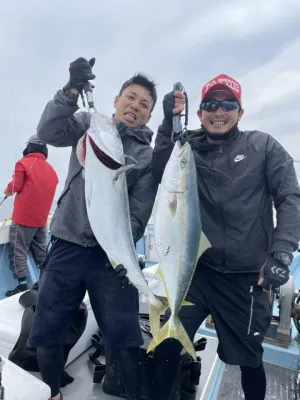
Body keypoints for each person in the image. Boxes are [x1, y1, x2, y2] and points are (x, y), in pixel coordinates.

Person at [147, 73, 300, 400]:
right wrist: (168, 123)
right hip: (194, 271)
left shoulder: (264, 146)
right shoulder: (188, 147)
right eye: (210, 104)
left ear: (240, 112)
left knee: (248, 359)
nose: (219, 110)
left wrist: (281, 254)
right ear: (200, 112)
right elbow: (160, 166)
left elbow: (289, 198)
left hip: (245, 277)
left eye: (228, 103)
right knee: (166, 347)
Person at [27, 57, 158, 400]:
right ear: (116, 100)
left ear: (149, 116)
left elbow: (139, 214)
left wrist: (121, 251)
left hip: (109, 257)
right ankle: (51, 392)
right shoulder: (90, 123)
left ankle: (130, 392)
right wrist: (70, 91)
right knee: (48, 330)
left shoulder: (146, 157)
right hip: (67, 244)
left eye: (144, 105)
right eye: (130, 97)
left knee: (126, 338)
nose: (135, 106)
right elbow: (48, 132)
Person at [4, 135, 58, 297]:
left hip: (23, 218)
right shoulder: (51, 170)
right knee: (41, 252)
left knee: (18, 250)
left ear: (30, 148)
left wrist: (7, 190)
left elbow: (15, 186)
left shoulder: (23, 163)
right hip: (41, 220)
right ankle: (49, 281)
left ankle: (21, 285)